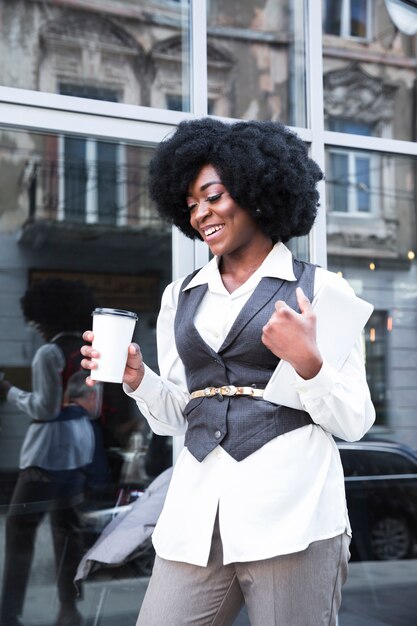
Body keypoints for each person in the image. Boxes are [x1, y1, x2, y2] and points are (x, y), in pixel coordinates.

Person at [81, 118, 376, 626]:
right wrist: (138, 379)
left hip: (293, 515)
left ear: (258, 192)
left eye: (213, 196)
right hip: (196, 517)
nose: (201, 214)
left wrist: (308, 361)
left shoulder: (323, 290)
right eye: (191, 203)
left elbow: (355, 421)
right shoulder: (181, 295)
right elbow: (182, 413)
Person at [0, 279, 99, 626]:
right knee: (67, 530)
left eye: (37, 320)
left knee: (18, 528)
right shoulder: (89, 350)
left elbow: (43, 408)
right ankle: (69, 609)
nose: (36, 326)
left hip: (47, 450)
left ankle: (8, 612)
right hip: (79, 443)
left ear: (45, 317)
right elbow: (94, 407)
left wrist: (9, 390)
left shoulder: (48, 353)